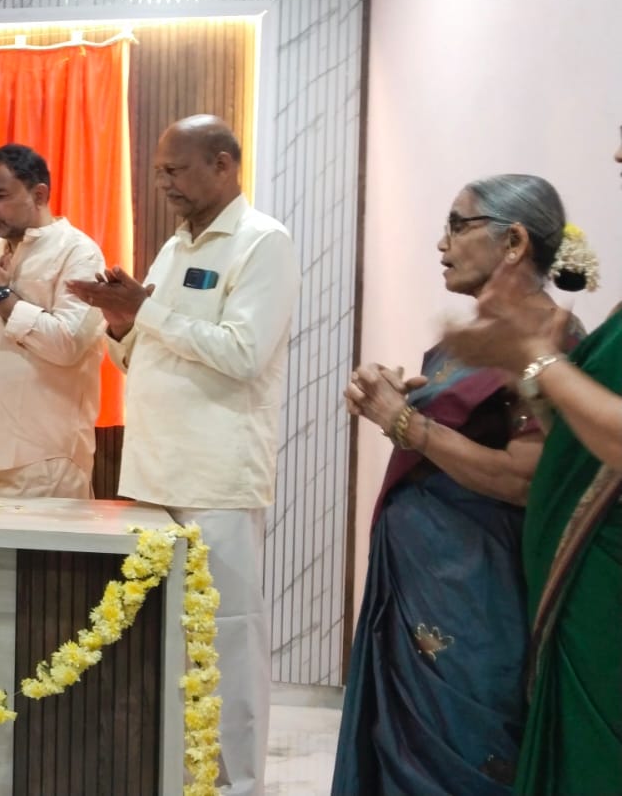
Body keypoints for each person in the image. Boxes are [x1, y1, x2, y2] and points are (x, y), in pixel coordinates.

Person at [334, 174, 590, 796]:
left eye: (458, 224)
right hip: (423, 582)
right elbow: (443, 433)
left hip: (479, 595)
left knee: (465, 760)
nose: (441, 242)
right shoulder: (474, 339)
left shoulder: (550, 339)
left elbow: (524, 479)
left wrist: (405, 422)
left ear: (514, 242)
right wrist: (388, 396)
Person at [68, 115, 298, 796]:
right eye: (159, 171)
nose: (163, 182)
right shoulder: (174, 247)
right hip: (153, 474)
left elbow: (242, 353)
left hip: (216, 477)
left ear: (223, 164)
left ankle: (237, 785)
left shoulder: (263, 241)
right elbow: (147, 356)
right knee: (167, 643)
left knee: (226, 641)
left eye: (176, 169)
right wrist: (120, 323)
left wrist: (146, 311)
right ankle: (176, 776)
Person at [439, 135, 622, 796]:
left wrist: (535, 360)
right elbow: (581, 436)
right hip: (579, 588)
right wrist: (537, 378)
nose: (616, 155)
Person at [0, 145, 106, 497]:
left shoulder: (78, 253)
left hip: (44, 455)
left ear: (39, 194)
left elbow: (68, 345)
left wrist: (1, 296)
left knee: (45, 538)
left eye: (0, 196)